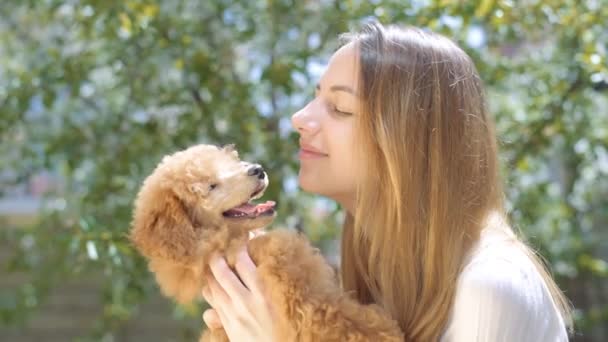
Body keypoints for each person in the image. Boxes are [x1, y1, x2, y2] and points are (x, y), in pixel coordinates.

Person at [200, 22, 572, 341]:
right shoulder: (377, 277)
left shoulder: (489, 287)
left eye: (340, 108)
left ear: (411, 143)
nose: (300, 117)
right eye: (314, 99)